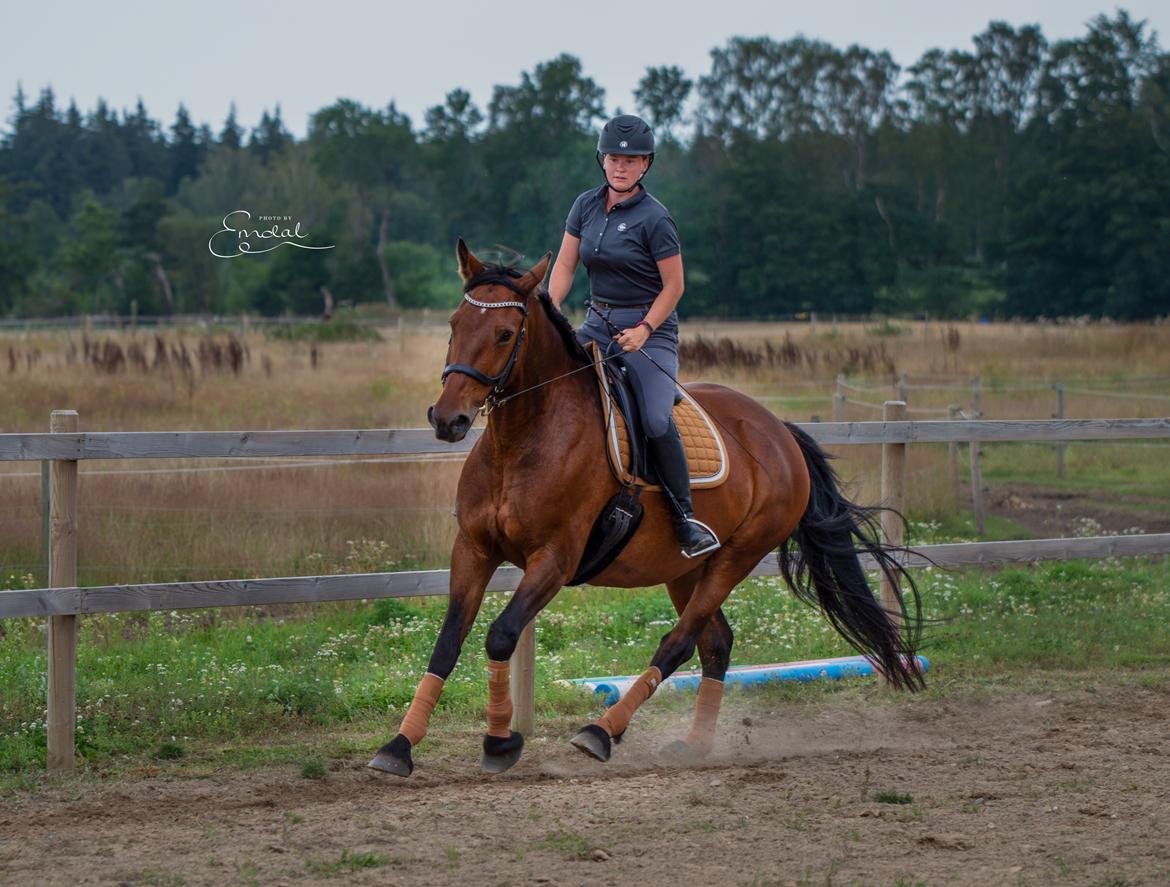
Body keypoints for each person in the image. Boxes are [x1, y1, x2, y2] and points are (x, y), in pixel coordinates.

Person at [548, 114, 720, 559]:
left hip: (650, 333)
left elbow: (674, 287)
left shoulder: (656, 218)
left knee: (656, 419)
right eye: (613, 158)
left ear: (646, 165)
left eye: (632, 159)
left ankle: (685, 520)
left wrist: (645, 329)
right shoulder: (584, 205)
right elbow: (565, 266)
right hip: (596, 325)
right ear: (601, 160)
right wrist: (549, 309)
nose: (620, 166)